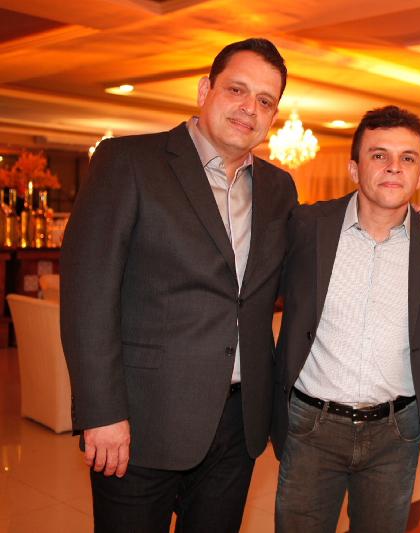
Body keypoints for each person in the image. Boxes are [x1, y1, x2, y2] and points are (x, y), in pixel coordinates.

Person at [60, 38, 296, 532]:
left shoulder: (279, 188)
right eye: (237, 89)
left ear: (273, 116)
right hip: (142, 420)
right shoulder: (128, 161)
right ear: (205, 90)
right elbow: (87, 297)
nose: (249, 108)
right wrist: (101, 412)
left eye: (265, 100)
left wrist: (402, 217)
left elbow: (303, 267)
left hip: (239, 425)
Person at [271, 105, 420, 532]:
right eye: (379, 155)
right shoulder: (306, 226)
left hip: (397, 433)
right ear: (354, 168)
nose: (394, 167)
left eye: (407, 158)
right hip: (311, 425)